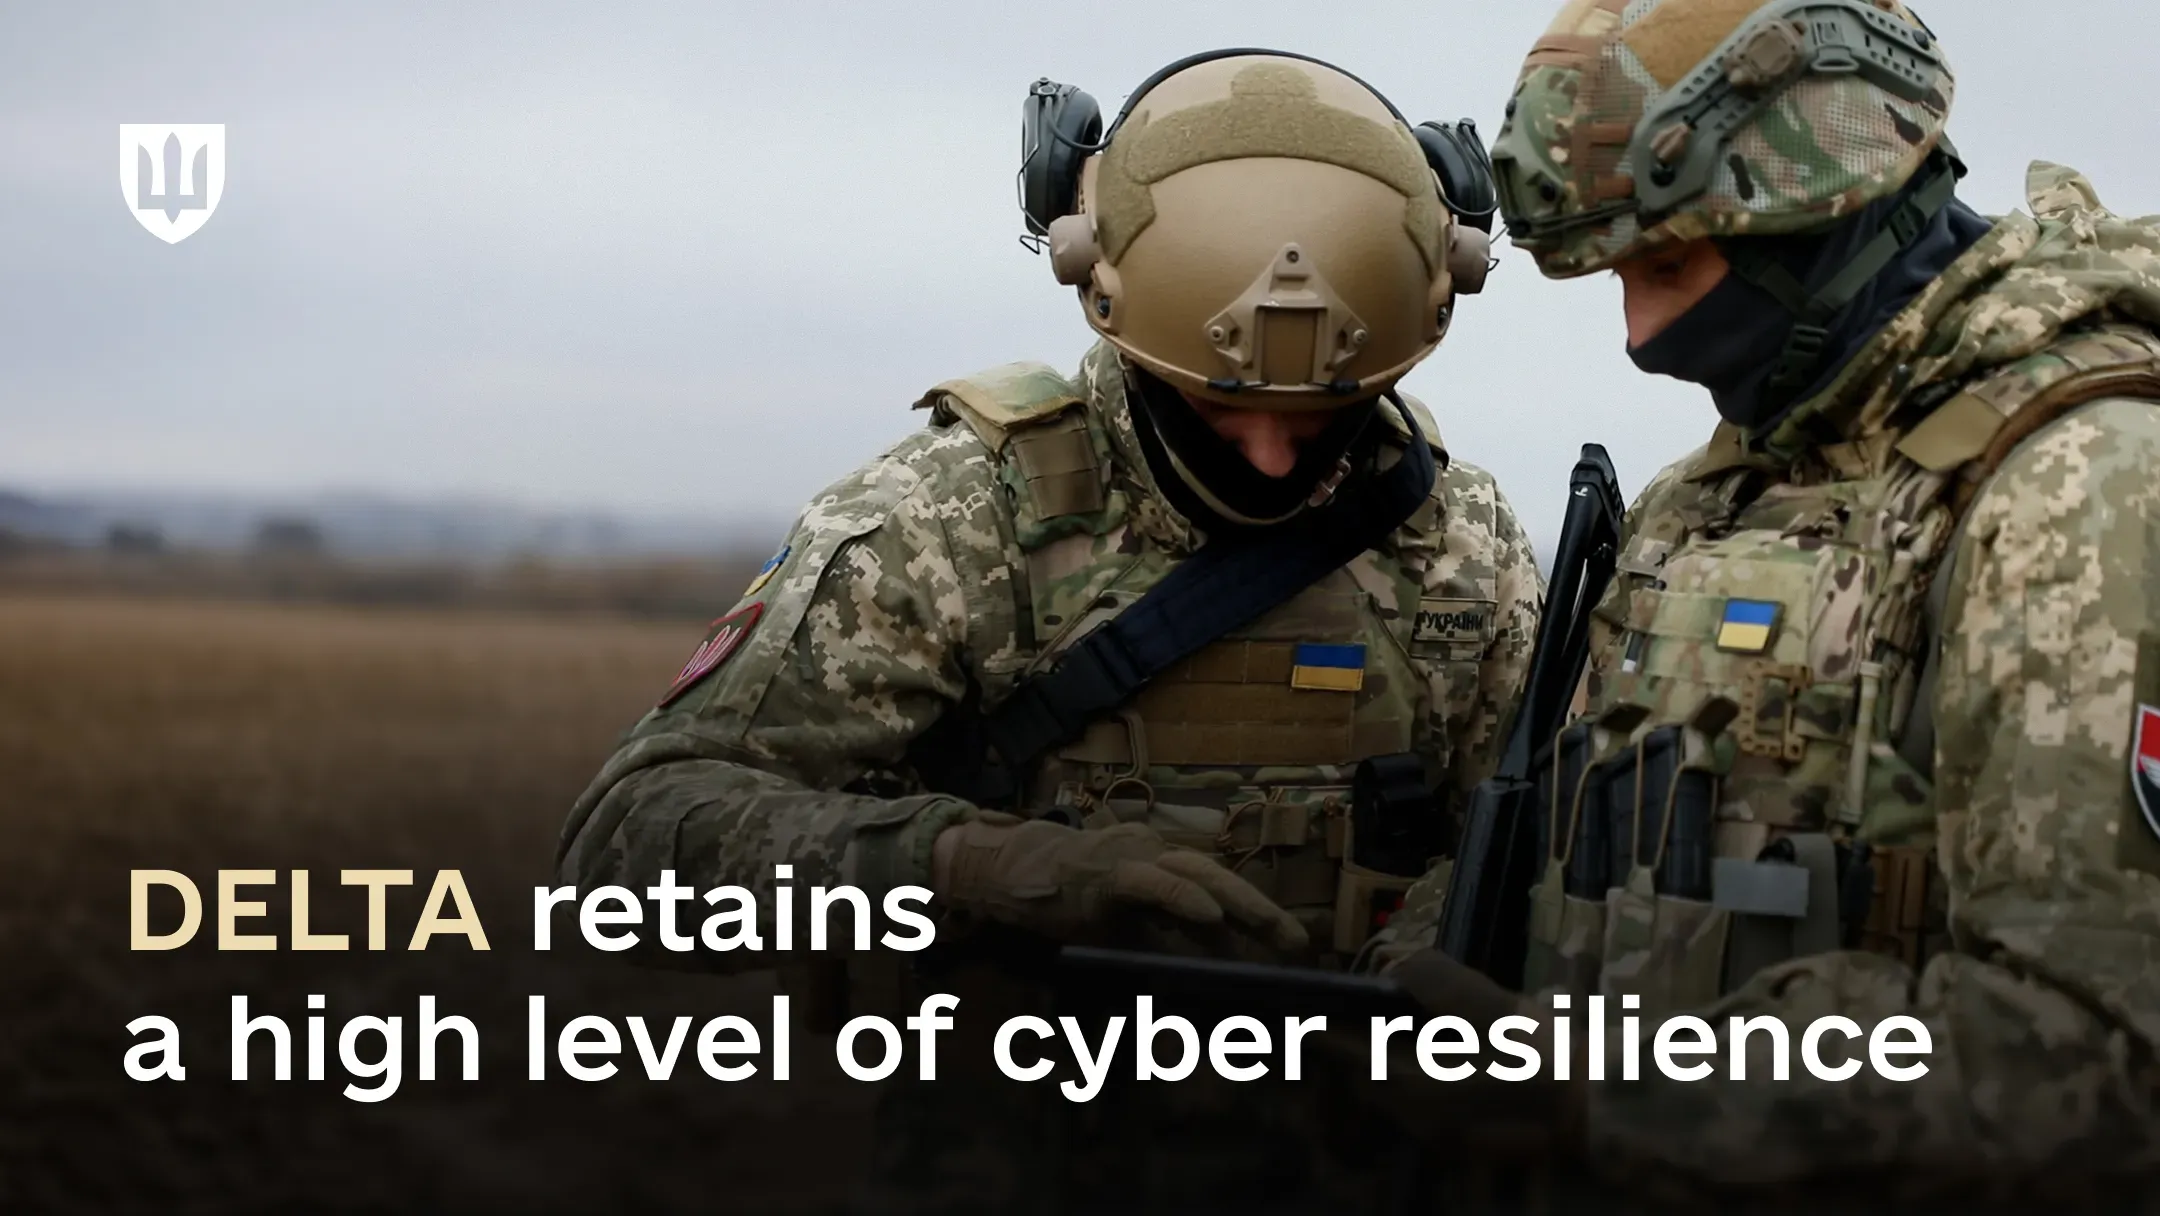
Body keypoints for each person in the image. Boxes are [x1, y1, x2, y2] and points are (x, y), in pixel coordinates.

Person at [555, 49, 1542, 1212]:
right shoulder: (953, 518)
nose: (1274, 458)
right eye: (1221, 409)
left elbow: (1520, 842)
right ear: (1114, 313)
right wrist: (985, 867)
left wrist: (1432, 960)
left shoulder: (1455, 534)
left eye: (1321, 416)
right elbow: (623, 850)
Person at [1357, 0, 2160, 1205]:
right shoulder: (1715, 489)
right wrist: (1419, 965)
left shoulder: (2079, 492)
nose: (1638, 333)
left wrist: (1603, 1103)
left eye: (1668, 263)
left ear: (1826, 209)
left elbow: (2094, 1061)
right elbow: (1576, 832)